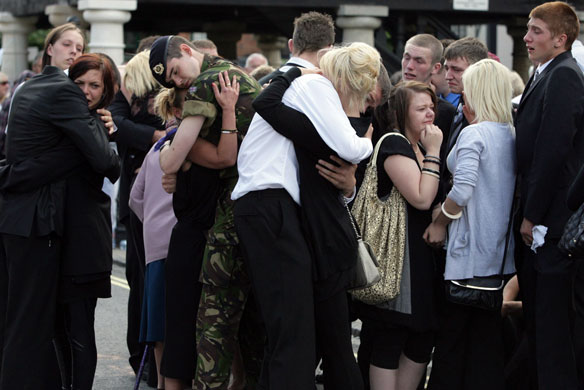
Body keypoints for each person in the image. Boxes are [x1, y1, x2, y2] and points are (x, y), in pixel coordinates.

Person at [251, 43, 381, 390]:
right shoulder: (337, 123)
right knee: (321, 347)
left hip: (325, 245)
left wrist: (293, 72)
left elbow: (266, 105)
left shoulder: (338, 127)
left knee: (322, 347)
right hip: (320, 242)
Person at [148, 35, 263, 390]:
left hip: (229, 221)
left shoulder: (205, 83)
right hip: (259, 210)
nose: (179, 82)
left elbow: (172, 160)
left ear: (186, 50)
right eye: (172, 82)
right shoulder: (232, 72)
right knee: (251, 324)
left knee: (213, 324)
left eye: (175, 72)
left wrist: (171, 156)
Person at [0, 49, 119, 390]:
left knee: (78, 329)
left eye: (94, 85)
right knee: (44, 327)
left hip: (83, 241)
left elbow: (108, 165)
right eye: (79, 82)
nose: (85, 91)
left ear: (107, 89)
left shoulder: (100, 127)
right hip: (50, 234)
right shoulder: (67, 121)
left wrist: (11, 174)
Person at [424, 58, 517, 390]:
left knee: (452, 342)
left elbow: (462, 189)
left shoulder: (475, 134)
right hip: (496, 252)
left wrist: (439, 221)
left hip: (467, 250)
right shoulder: (509, 133)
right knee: (485, 342)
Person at [515, 2, 584, 389]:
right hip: (543, 222)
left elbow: (552, 151)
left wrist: (532, 215)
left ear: (561, 39)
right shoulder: (545, 73)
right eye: (527, 28)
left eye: (537, 31)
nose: (527, 37)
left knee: (554, 331)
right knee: (539, 326)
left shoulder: (564, 77)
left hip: (552, 226)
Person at [356, 81, 442, 390]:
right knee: (392, 337)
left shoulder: (417, 146)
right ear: (401, 113)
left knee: (422, 337)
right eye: (421, 109)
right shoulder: (394, 144)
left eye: (431, 106)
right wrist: (434, 151)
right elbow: (421, 197)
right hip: (400, 259)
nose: (430, 114)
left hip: (424, 258)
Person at [110, 48, 165, 377]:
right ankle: (141, 358)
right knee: (141, 282)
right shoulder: (128, 98)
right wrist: (154, 136)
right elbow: (113, 122)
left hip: (157, 200)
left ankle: (150, 361)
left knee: (150, 283)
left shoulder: (162, 97)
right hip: (140, 199)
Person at [128, 87, 183, 390]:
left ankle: (161, 382)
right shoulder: (183, 145)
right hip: (180, 242)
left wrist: (153, 220)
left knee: (158, 328)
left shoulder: (155, 147)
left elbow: (135, 199)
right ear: (177, 111)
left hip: (155, 245)